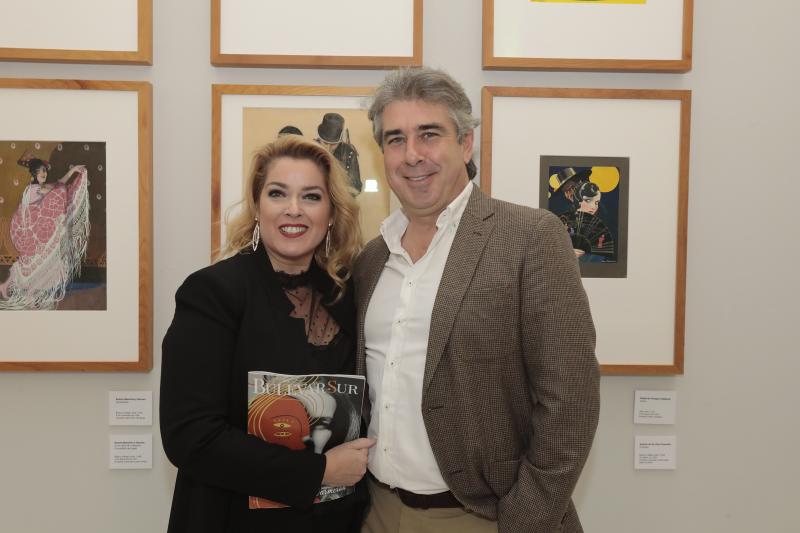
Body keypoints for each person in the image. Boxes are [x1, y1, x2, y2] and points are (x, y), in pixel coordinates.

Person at [353, 68, 600, 533]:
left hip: (482, 517)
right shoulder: (371, 259)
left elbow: (571, 400)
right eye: (395, 139)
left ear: (465, 144)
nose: (412, 154)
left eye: (429, 134)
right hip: (377, 511)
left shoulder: (531, 237)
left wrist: (522, 521)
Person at [160, 136, 375, 533]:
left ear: (331, 214)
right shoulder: (212, 292)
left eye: (311, 196)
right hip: (231, 520)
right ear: (258, 207)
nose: (294, 209)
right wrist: (319, 470)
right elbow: (190, 436)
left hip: (333, 522)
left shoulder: (348, 296)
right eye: (278, 193)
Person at [0, 152, 89, 309]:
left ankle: (9, 287)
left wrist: (73, 170)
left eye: (44, 171)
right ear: (34, 173)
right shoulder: (34, 188)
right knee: (31, 262)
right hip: (29, 231)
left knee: (31, 262)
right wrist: (64, 184)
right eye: (40, 171)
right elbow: (57, 190)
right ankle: (26, 294)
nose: (44, 174)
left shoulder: (41, 187)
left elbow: (58, 184)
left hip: (34, 231)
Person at [316, 112, 362, 195]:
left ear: (340, 140)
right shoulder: (310, 149)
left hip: (341, 200)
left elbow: (356, 188)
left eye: (333, 144)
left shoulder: (349, 153)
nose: (328, 148)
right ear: (319, 138)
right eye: (325, 143)